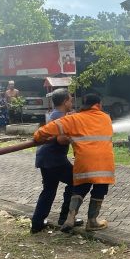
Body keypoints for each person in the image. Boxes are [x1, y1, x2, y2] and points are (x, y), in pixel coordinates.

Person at [33, 93, 114, 232]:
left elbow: (45, 131)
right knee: (99, 189)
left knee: (79, 187)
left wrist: (37, 136)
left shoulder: (73, 119)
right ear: (99, 105)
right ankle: (92, 221)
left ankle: (68, 218)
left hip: (83, 162)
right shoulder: (106, 118)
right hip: (104, 164)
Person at [29, 89, 82, 233]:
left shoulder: (54, 114)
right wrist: (76, 134)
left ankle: (37, 223)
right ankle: (65, 218)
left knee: (49, 189)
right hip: (54, 159)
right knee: (75, 181)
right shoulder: (61, 118)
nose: (72, 103)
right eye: (70, 100)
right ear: (65, 102)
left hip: (45, 157)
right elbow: (61, 139)